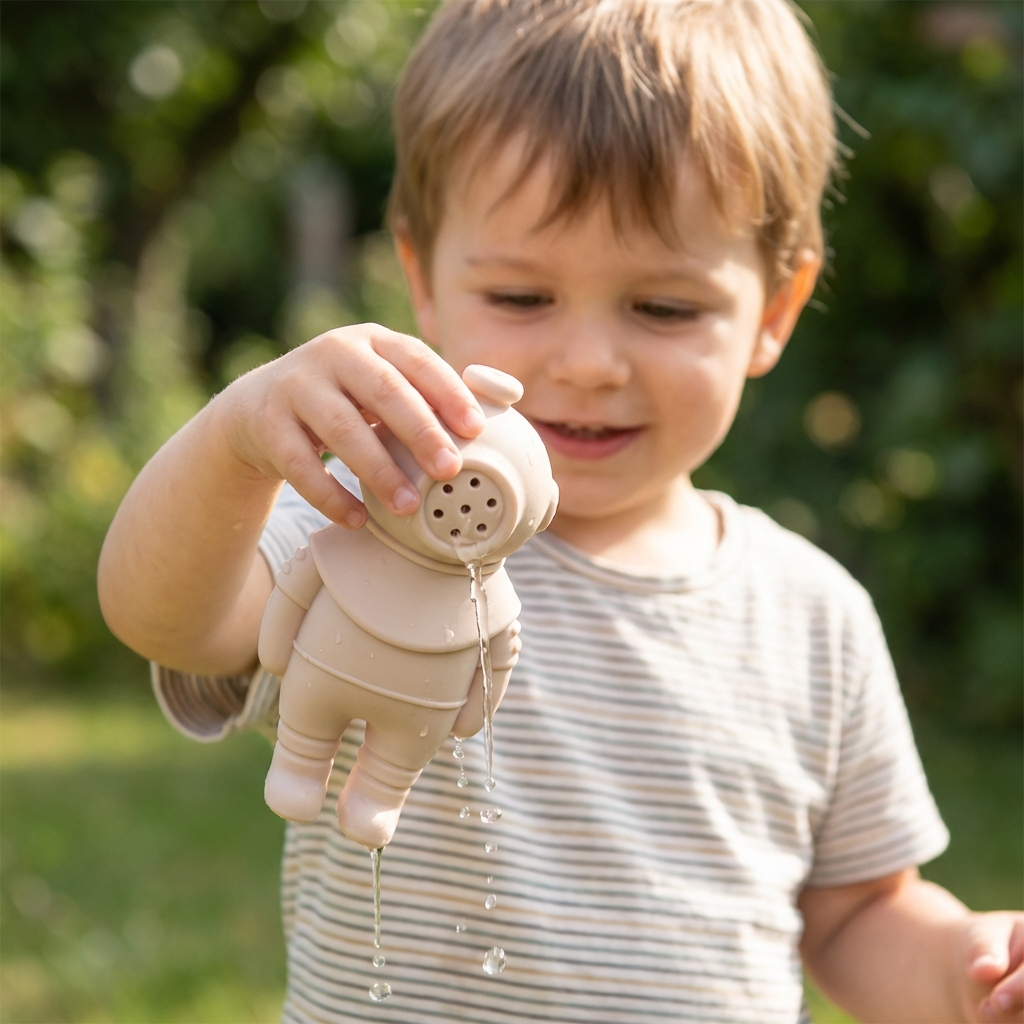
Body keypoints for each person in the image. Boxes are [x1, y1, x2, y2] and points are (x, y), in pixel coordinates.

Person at [97, 1, 1023, 1021]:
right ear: (423, 280)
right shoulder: (375, 517)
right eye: (522, 298)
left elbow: (856, 914)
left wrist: (965, 970)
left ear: (774, 310)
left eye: (664, 307)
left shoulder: (813, 616)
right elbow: (162, 616)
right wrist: (235, 437)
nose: (587, 364)